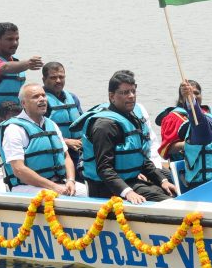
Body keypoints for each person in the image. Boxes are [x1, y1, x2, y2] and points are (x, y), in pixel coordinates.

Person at [73, 71, 177, 204]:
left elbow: (140, 158)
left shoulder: (130, 118)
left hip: (131, 180)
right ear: (112, 96)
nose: (131, 96)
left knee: (172, 192)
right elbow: (104, 169)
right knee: (167, 202)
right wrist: (127, 192)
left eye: (133, 91)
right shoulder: (104, 126)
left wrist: (162, 180)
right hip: (105, 187)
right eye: (125, 92)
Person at [0, 84, 87, 196]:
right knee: (54, 196)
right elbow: (18, 169)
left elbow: (66, 157)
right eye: (36, 96)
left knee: (87, 192)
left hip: (58, 183)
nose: (42, 99)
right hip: (27, 187)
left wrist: (71, 180)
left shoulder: (51, 124)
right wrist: (53, 187)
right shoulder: (14, 129)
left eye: (43, 95)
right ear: (23, 103)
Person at [42, 62, 85, 180]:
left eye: (61, 77)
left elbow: (82, 123)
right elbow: (38, 131)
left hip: (78, 152)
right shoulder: (41, 100)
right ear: (44, 79)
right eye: (53, 77)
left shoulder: (73, 98)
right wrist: (66, 142)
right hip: (56, 154)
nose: (58, 81)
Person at [155, 80, 208, 166]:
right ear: (181, 97)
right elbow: (166, 149)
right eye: (189, 93)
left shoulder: (209, 115)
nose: (193, 96)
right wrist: (188, 144)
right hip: (184, 166)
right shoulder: (173, 118)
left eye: (196, 93)